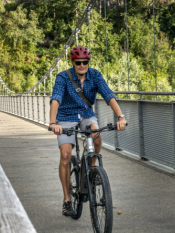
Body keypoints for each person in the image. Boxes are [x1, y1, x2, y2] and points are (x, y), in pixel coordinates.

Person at [48, 45, 127, 217]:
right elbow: (56, 99)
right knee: (66, 155)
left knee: (96, 134)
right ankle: (67, 200)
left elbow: (108, 95)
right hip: (65, 116)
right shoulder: (63, 77)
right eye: (78, 62)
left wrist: (121, 117)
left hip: (86, 114)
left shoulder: (95, 75)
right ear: (73, 62)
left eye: (85, 62)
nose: (82, 65)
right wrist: (53, 122)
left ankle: (92, 170)